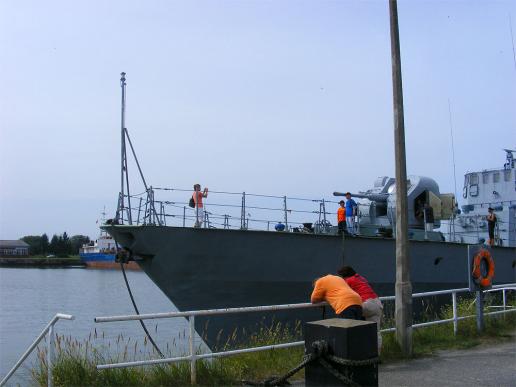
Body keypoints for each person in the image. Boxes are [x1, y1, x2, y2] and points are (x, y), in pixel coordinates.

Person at [338, 266, 383, 353]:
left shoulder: (349, 281)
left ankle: (355, 352)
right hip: (377, 303)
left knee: (353, 327)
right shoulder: (361, 278)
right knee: (375, 332)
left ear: (344, 275)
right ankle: (376, 355)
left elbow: (341, 292)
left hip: (366, 304)